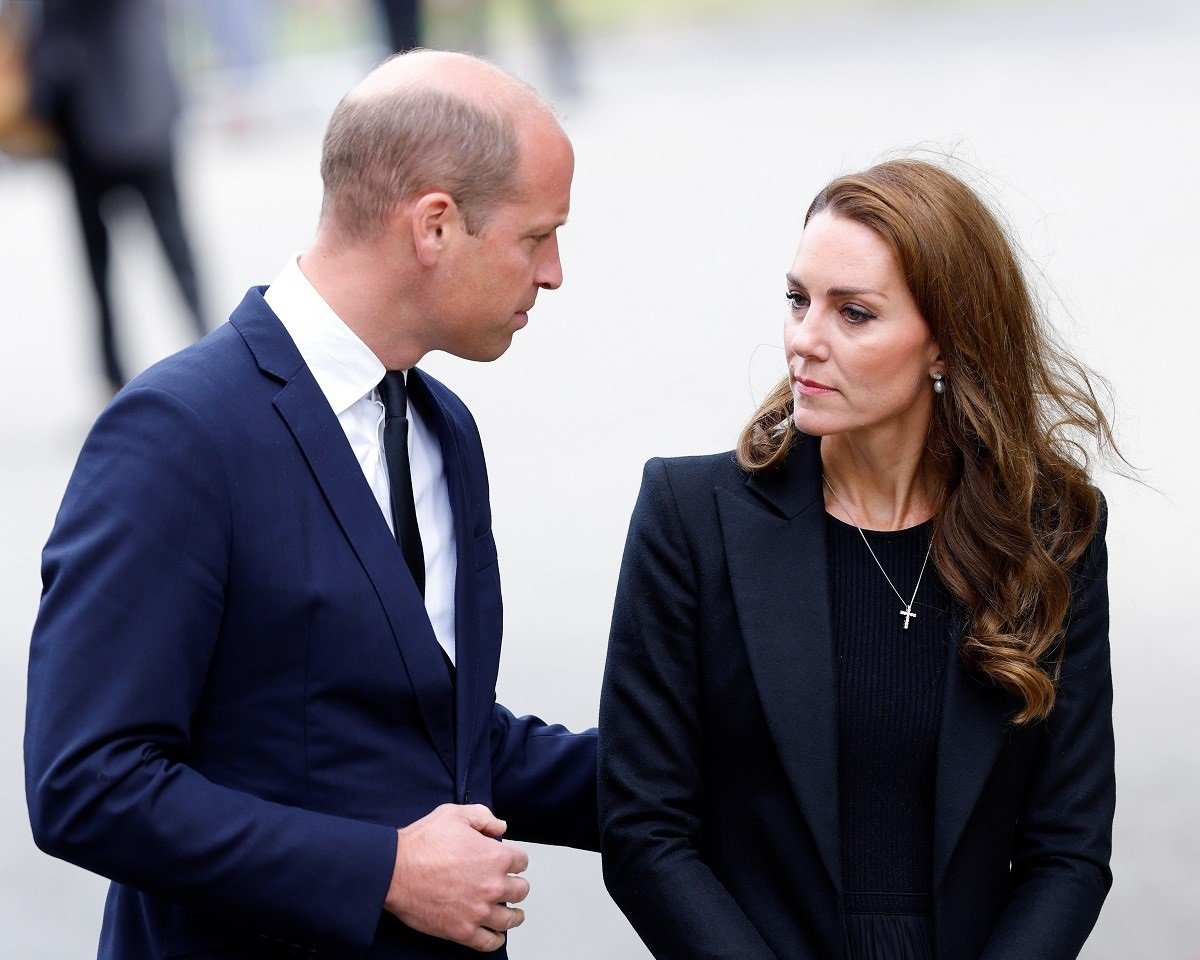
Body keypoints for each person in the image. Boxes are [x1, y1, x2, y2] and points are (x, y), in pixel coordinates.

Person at [25, 50, 597, 960]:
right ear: (436, 226)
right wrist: (384, 870)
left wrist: (709, 764)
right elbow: (87, 781)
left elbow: (429, 734)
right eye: (538, 236)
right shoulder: (178, 434)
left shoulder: (443, 427)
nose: (557, 272)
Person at [599, 159, 1115, 960]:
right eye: (799, 300)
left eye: (855, 314)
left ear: (944, 344)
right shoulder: (689, 516)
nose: (805, 339)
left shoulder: (1049, 533)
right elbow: (645, 833)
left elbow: (1068, 850)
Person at [29, 0, 207, 393]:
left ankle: (215, 358)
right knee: (105, 262)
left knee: (172, 252)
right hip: (99, 107)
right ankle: (114, 373)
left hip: (116, 102)